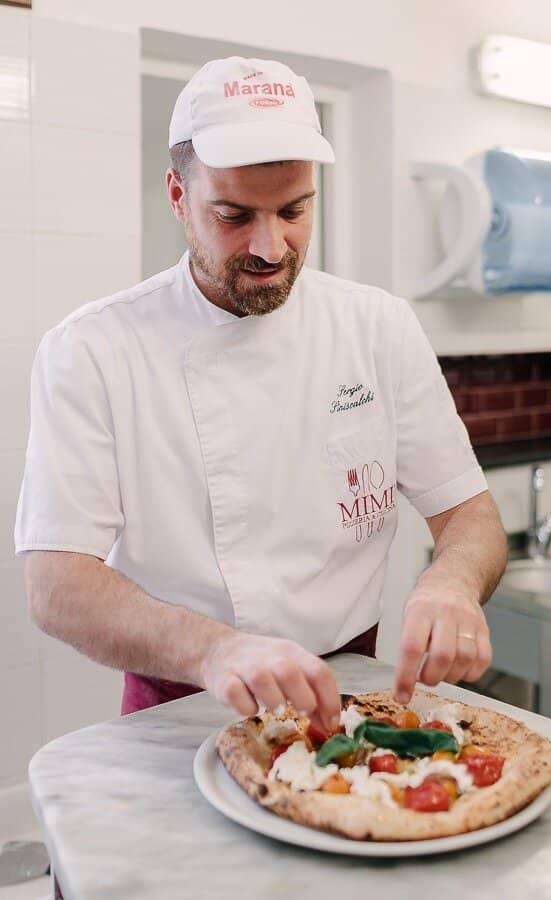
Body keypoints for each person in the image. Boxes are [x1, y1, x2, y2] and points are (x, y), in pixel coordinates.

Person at [15, 56, 507, 733]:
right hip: (182, 699)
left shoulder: (377, 326)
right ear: (177, 196)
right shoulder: (93, 349)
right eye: (234, 215)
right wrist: (215, 651)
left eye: (294, 211)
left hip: (352, 691)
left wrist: (453, 582)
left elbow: (470, 517)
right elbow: (55, 584)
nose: (271, 246)